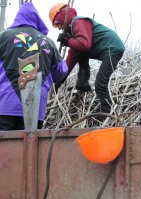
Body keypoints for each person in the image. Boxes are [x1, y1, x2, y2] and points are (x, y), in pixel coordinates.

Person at [0, 2, 68, 131]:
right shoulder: (49, 43)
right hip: (35, 109)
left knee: (3, 148)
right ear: (37, 20)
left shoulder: (3, 37)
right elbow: (61, 73)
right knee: (30, 149)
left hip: (5, 106)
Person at [49, 3, 125, 114]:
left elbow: (84, 44)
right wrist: (59, 79)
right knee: (79, 52)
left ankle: (108, 114)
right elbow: (71, 59)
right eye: (56, 26)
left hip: (112, 49)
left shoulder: (78, 21)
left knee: (100, 84)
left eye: (57, 23)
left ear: (62, 16)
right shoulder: (74, 32)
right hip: (107, 50)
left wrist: (67, 41)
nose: (59, 27)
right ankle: (83, 83)